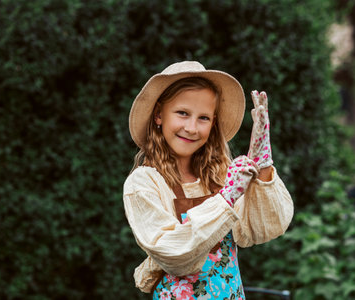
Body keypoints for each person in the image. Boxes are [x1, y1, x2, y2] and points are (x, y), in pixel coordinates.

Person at [123, 61, 294, 299]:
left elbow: (262, 228)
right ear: (159, 114)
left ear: (213, 124)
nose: (192, 128)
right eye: (182, 113)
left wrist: (262, 164)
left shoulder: (220, 176)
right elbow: (175, 255)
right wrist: (225, 199)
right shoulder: (144, 183)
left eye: (203, 118)